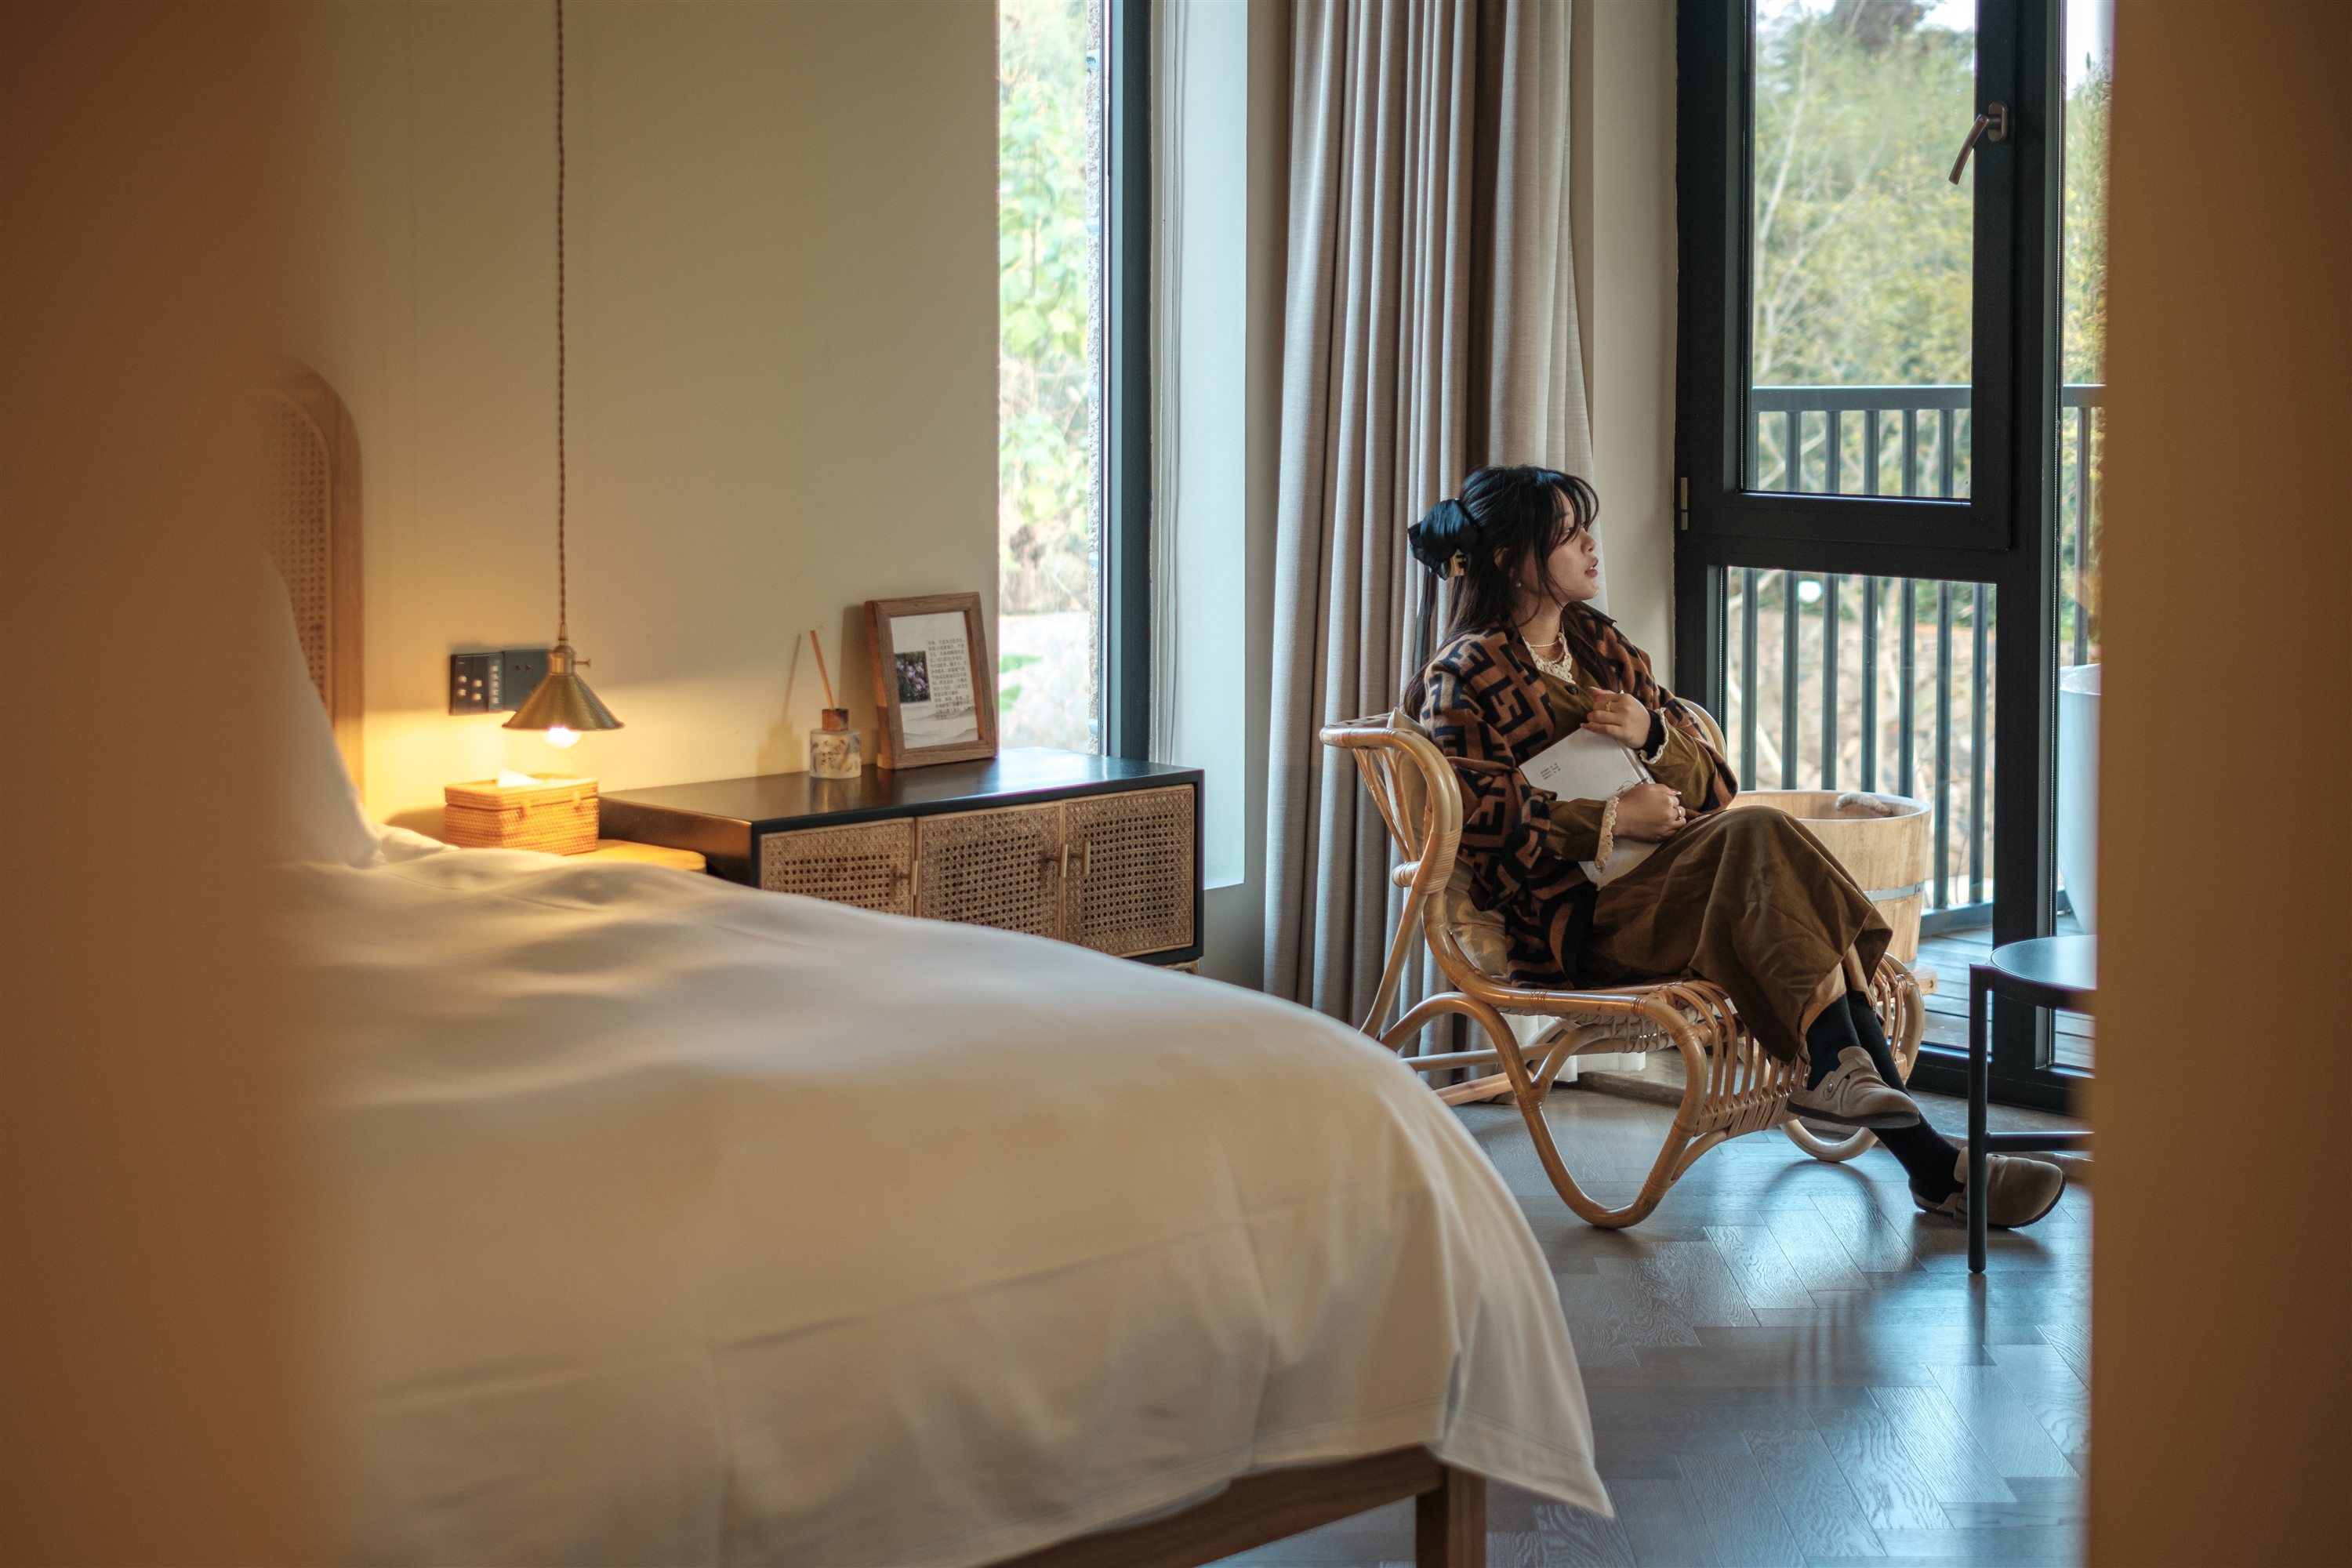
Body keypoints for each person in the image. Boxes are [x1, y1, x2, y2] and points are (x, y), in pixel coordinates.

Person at [1405, 464, 2063, 1229]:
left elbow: (1716, 788)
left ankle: (1903, 1137)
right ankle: (1924, 1155)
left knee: (1757, 830)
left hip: (1677, 889)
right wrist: (1613, 816)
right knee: (1759, 832)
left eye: (1587, 527)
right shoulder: (1465, 675)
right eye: (1568, 534)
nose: (1591, 544)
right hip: (1579, 920)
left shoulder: (1601, 646)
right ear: (1509, 559)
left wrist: (1652, 735)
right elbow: (1473, 819)